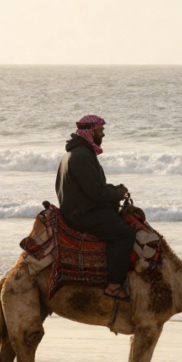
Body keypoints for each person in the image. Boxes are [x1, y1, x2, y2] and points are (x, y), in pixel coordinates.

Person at [55, 114, 135, 303]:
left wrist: (114, 190)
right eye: (100, 131)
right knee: (125, 234)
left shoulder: (77, 152)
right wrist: (116, 194)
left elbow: (93, 188)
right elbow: (97, 194)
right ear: (91, 132)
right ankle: (114, 286)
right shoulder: (82, 156)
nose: (103, 134)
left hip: (80, 208)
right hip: (83, 214)